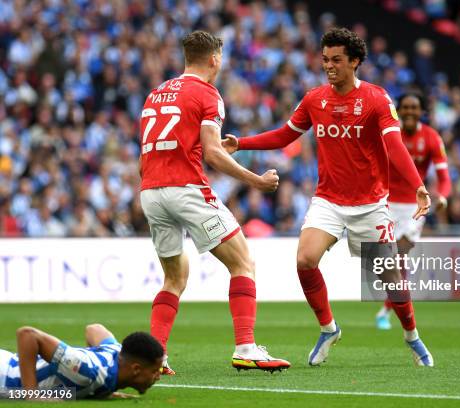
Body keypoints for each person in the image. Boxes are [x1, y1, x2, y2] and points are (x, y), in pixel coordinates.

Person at [223, 28, 432, 366]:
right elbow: (284, 135)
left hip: (371, 206)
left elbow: (395, 147)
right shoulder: (314, 99)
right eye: (325, 60)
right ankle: (329, 328)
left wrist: (419, 185)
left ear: (355, 62)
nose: (329, 66)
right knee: (305, 260)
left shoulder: (377, 100)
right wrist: (241, 143)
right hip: (329, 201)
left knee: (391, 278)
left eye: (336, 60)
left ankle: (412, 336)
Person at [139, 30, 290, 374]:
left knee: (174, 279)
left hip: (151, 190)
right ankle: (247, 347)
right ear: (214, 59)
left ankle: (155, 355)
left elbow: (144, 155)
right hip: (187, 189)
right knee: (243, 262)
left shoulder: (155, 94)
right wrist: (257, 180)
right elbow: (212, 153)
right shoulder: (207, 93)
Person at [375, 92, 451, 342]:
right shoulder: (388, 134)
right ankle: (390, 310)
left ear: (421, 112)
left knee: (399, 256)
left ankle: (387, 311)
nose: (408, 111)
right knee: (389, 263)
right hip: (385, 203)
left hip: (413, 208)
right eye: (404, 107)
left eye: (413, 107)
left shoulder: (431, 137)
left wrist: (443, 197)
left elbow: (444, 177)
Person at [0, 323, 162, 399]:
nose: (158, 376)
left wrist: (105, 390)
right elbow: (27, 334)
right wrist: (31, 394)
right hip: (5, 380)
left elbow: (95, 329)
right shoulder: (87, 371)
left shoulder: (115, 351)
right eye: (155, 371)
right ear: (135, 369)